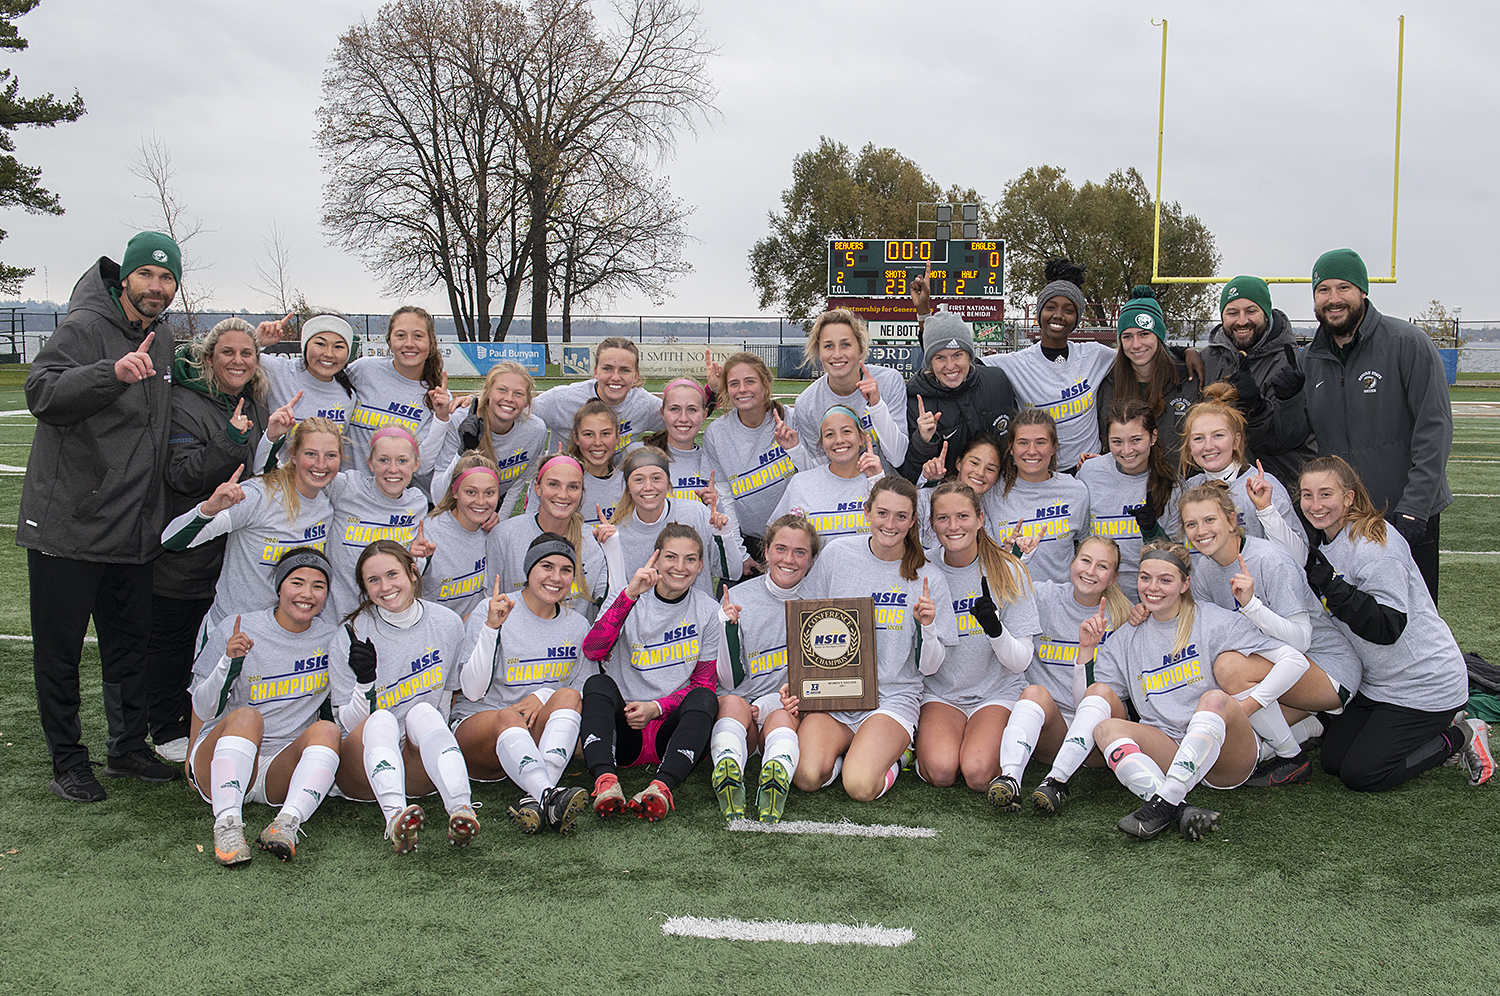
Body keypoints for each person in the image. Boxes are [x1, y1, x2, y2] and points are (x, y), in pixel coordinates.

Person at [21, 231, 185, 799]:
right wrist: (109, 374)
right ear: (125, 278)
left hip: (132, 528)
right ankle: (68, 761)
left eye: (166, 278)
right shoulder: (85, 326)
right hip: (69, 525)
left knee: (128, 646)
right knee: (61, 652)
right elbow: (41, 392)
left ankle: (127, 747)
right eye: (146, 275)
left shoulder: (163, 336)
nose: (156, 286)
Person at [1084, 540, 1305, 841]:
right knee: (1105, 729)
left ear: (1185, 584)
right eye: (1145, 578)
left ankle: (1164, 803)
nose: (1153, 588)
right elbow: (1093, 704)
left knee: (1213, 698)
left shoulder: (1214, 620)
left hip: (1223, 758)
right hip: (1169, 746)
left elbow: (1294, 659)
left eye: (1165, 580)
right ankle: (1178, 808)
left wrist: (1250, 705)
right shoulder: (1125, 638)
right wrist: (1085, 654)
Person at [1298, 456, 1491, 790]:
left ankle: (1461, 734)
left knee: (1362, 775)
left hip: (1424, 683)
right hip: (1379, 683)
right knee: (1333, 761)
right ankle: (1435, 727)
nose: (1316, 505)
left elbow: (1388, 626)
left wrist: (1333, 586)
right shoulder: (1326, 540)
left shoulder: (1374, 541)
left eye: (1326, 494)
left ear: (1349, 497)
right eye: (1307, 495)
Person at [1177, 480, 1362, 786]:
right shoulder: (1205, 571)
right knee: (1226, 738)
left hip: (1328, 670)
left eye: (1209, 520)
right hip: (1276, 669)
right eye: (1191, 524)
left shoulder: (1270, 560)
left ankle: (1293, 759)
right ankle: (1310, 727)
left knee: (1228, 667)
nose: (1201, 531)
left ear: (1232, 521)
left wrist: (1252, 606)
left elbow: (1301, 640)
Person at [147, 317, 271, 763]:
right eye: (227, 352)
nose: (238, 361)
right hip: (190, 543)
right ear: (208, 357)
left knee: (222, 638)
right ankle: (167, 726)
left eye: (246, 353)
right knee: (175, 639)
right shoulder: (186, 402)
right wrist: (230, 439)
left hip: (233, 549)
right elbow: (183, 474)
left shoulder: (253, 400)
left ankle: (212, 719)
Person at [790, 477, 958, 802]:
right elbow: (806, 624)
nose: (890, 524)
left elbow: (931, 667)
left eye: (900, 516)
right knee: (807, 776)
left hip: (891, 697)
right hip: (836, 695)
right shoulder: (837, 555)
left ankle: (898, 753)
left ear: (912, 521)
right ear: (867, 512)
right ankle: (853, 751)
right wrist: (802, 683)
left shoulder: (928, 577)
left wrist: (927, 627)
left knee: (860, 785)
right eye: (882, 513)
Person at [1301, 248, 1453, 600]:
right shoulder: (1311, 359)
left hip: (1403, 511)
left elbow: (1434, 427)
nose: (1333, 299)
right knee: (1355, 617)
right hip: (1344, 519)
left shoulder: (1406, 343)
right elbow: (1299, 435)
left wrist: (1414, 507)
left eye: (1343, 287)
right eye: (1323, 290)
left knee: (1413, 615)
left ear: (1363, 291)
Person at [186, 548, 342, 865]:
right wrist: (227, 663)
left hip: (280, 768)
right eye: (297, 582)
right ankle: (227, 826)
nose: (307, 594)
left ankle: (286, 824)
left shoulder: (333, 639)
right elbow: (201, 704)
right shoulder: (238, 627)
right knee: (247, 716)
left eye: (318, 586)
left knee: (327, 730)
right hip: (223, 756)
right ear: (279, 587)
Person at [329, 541, 477, 853]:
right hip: (363, 766)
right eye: (373, 580)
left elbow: (445, 697)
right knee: (381, 719)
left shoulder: (447, 623)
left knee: (425, 712)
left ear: (412, 572)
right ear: (364, 588)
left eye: (392, 574)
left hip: (416, 761)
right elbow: (349, 725)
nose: (385, 587)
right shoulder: (350, 634)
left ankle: (461, 810)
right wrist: (365, 683)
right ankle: (395, 817)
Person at [452, 535, 594, 835]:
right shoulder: (493, 609)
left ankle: (539, 795)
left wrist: (542, 695)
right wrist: (491, 628)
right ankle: (549, 795)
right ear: (529, 569)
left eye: (566, 570)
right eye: (547, 566)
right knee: (508, 716)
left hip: (533, 735)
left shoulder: (577, 625)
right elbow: (472, 690)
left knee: (569, 695)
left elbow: (583, 689)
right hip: (481, 732)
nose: (556, 577)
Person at [579, 524, 721, 821]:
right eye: (671, 557)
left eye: (690, 559)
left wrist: (656, 707)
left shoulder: (708, 610)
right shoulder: (626, 595)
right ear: (655, 559)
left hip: (672, 730)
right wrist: (630, 595)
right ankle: (606, 782)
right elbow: (593, 651)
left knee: (705, 698)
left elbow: (704, 682)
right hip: (625, 728)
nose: (680, 567)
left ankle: (661, 787)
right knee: (597, 684)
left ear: (700, 566)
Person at [159, 418, 341, 636]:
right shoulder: (259, 496)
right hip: (233, 632)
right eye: (310, 454)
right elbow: (171, 541)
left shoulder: (329, 503)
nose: (320, 464)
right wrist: (207, 510)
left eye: (330, 455)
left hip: (286, 637)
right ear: (293, 455)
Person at [918, 481, 1039, 801]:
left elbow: (1021, 661)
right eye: (943, 518)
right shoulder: (921, 569)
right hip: (942, 692)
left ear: (980, 519)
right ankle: (909, 751)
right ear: (931, 524)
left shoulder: (1009, 569)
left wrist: (995, 630)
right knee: (941, 771)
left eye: (963, 516)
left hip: (995, 691)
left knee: (978, 773)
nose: (953, 526)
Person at [993, 536, 1133, 813]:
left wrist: (1086, 652)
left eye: (1102, 566)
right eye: (1085, 560)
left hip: (1098, 736)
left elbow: (1091, 701)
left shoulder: (1124, 618)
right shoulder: (1043, 596)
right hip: (1051, 728)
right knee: (1033, 692)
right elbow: (1001, 590)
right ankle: (1010, 778)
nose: (1090, 571)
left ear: (1114, 577)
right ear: (1072, 562)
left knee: (1100, 693)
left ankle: (1056, 781)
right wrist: (1018, 555)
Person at [709, 514, 819, 823]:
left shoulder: (820, 603)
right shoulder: (738, 598)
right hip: (742, 717)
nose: (789, 559)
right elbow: (728, 680)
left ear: (812, 559)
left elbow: (823, 679)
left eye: (800, 552)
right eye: (781, 549)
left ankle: (776, 775)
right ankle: (728, 768)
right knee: (731, 702)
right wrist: (727, 629)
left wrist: (771, 703)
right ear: (766, 551)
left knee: (785, 713)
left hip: (784, 712)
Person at [980, 259, 1119, 469]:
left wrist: (1181, 350)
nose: (1058, 315)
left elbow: (1137, 355)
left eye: (1069, 310)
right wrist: (928, 314)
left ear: (1077, 319)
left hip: (1088, 469)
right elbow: (958, 362)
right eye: (1051, 307)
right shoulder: (1016, 363)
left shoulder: (1094, 354)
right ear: (1039, 313)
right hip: (1041, 471)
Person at [1199, 276, 1315, 484]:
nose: (1242, 321)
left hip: (1273, 485)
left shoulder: (1289, 363)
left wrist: (1255, 407)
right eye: (1232, 313)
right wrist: (1180, 356)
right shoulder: (1208, 359)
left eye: (1251, 311)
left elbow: (1287, 441)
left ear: (1266, 314)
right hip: (1215, 487)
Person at [1176, 385, 1306, 561]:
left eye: (1218, 435)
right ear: (1189, 447)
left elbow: (1299, 558)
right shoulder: (1187, 489)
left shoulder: (1262, 485)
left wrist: (1266, 509)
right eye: (1198, 438)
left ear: (1236, 440)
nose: (1208, 446)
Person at [701, 352, 803, 563]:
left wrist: (795, 449)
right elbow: (724, 499)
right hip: (750, 544)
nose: (742, 389)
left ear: (765, 384)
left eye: (750, 381)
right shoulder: (716, 433)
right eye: (734, 383)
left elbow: (815, 476)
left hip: (799, 539)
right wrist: (740, 553)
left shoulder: (791, 419)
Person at [603, 447, 745, 596]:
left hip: (698, 611)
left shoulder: (696, 513)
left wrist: (724, 535)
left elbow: (733, 573)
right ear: (628, 487)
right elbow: (616, 597)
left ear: (669, 484)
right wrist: (610, 546)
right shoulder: (618, 532)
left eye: (656, 478)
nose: (648, 487)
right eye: (639, 480)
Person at [321, 425, 429, 619]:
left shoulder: (417, 503)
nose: (393, 469)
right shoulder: (346, 487)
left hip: (387, 621)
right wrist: (272, 439)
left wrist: (417, 558)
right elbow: (303, 477)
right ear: (370, 463)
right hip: (336, 619)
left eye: (402, 461)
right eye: (383, 460)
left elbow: (410, 573)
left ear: (415, 464)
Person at [900, 304, 1018, 482]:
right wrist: (923, 442)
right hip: (949, 493)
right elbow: (910, 474)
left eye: (957, 355)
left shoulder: (997, 381)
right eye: (940, 358)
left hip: (998, 488)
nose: (950, 366)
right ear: (930, 363)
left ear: (969, 356)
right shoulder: (917, 401)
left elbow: (1015, 441)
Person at [344, 306, 454, 494]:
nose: (409, 343)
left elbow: (421, 466)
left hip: (392, 500)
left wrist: (443, 418)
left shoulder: (438, 397)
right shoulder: (363, 370)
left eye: (418, 336)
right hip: (343, 493)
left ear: (431, 343)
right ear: (390, 341)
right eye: (401, 335)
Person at [1076, 400, 1178, 600]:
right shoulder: (1090, 472)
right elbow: (1079, 534)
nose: (1127, 450)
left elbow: (1176, 555)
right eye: (1117, 442)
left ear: (1153, 437)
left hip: (1149, 597)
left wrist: (1153, 530)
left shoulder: (1172, 484)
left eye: (1136, 440)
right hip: (1098, 595)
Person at [488, 454, 610, 617]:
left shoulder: (593, 539)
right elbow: (490, 600)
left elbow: (611, 603)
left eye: (573, 487)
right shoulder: (505, 535)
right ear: (537, 488)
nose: (563, 494)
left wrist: (613, 547)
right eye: (553, 484)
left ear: (581, 492)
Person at [790, 309, 909, 474]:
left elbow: (897, 457)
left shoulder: (889, 380)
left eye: (845, 345)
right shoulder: (807, 404)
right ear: (819, 352)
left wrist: (877, 406)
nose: (837, 354)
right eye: (828, 346)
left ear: (860, 350)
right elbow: (822, 470)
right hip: (840, 489)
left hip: (887, 486)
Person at [1094, 286, 1199, 463]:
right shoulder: (1108, 383)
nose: (1136, 344)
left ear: (1159, 336)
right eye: (1127, 336)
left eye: (1144, 334)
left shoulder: (1188, 378)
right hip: (1127, 477)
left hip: (1178, 477)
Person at [983, 410, 1089, 585]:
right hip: (1010, 596)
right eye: (1023, 443)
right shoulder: (991, 492)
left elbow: (1086, 546)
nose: (1031, 451)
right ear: (1011, 448)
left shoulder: (1076, 491)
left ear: (1054, 447)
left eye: (1040, 442)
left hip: (1061, 597)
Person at [431, 360, 547, 519]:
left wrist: (498, 523)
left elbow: (515, 486)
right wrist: (462, 453)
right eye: (502, 390)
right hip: (447, 513)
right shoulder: (460, 422)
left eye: (518, 393)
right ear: (488, 392)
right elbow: (438, 497)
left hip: (489, 509)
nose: (509, 398)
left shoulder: (535, 431)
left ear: (527, 401)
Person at [769, 406, 883, 540]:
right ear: (822, 445)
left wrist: (877, 479)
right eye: (829, 434)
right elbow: (775, 534)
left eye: (846, 431)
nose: (839, 440)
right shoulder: (800, 483)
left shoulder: (878, 482)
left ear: (861, 439)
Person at [256, 313, 358, 460]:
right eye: (320, 344)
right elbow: (231, 358)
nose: (329, 354)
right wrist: (257, 341)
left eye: (338, 347)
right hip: (278, 473)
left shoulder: (348, 394)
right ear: (305, 345)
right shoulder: (278, 371)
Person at [532, 336, 663, 451]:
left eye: (625, 370)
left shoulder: (644, 404)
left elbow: (674, 421)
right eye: (607, 369)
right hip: (566, 471)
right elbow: (522, 416)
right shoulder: (561, 399)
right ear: (596, 372)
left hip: (614, 472)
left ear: (636, 375)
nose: (615, 377)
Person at [419, 453, 502, 620]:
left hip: (475, 629)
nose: (480, 501)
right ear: (455, 491)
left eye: (489, 493)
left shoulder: (495, 532)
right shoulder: (428, 534)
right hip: (435, 629)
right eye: (471, 492)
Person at [914, 434, 1004, 550]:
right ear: (959, 463)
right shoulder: (923, 499)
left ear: (996, 479)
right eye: (974, 463)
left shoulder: (985, 518)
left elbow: (988, 558)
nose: (980, 472)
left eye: (990, 469)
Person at [568, 399, 626, 529]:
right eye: (589, 434)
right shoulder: (562, 483)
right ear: (576, 438)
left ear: (617, 436)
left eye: (605, 434)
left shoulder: (627, 483)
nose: (598, 442)